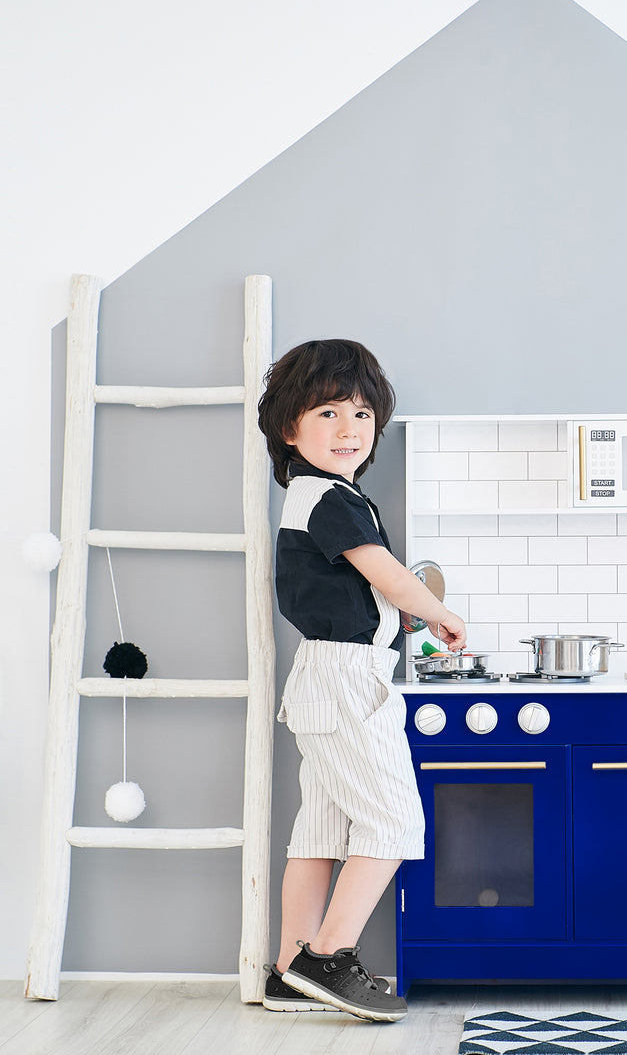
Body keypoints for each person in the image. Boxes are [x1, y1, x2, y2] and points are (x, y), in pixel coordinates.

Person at [256, 339, 466, 1021]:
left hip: (327, 673)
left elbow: (353, 588)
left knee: (322, 828)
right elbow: (387, 575)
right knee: (394, 821)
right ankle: (330, 956)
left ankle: (291, 969)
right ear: (290, 430)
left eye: (361, 413)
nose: (349, 428)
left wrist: (394, 621)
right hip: (345, 677)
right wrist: (437, 613)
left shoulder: (313, 496)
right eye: (327, 413)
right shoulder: (334, 502)